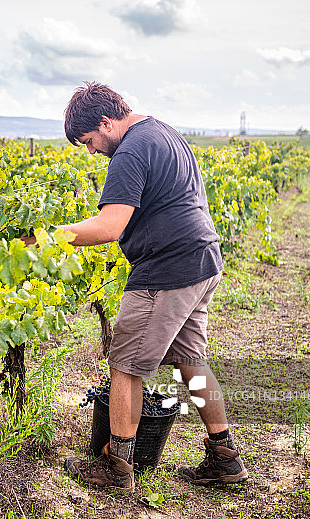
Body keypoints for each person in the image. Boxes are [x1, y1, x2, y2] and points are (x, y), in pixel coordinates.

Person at [25, 82, 247, 491]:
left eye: (89, 141)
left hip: (167, 270)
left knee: (125, 367)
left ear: (105, 122)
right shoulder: (162, 131)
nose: (91, 151)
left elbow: (110, 226)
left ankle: (117, 469)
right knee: (191, 361)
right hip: (201, 260)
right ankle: (226, 459)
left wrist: (46, 237)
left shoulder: (129, 150)